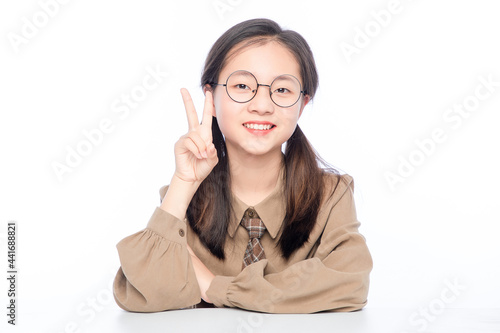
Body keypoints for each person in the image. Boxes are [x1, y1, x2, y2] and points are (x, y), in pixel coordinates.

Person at [113, 18, 372, 314]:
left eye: (283, 90)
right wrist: (183, 182)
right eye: (242, 85)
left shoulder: (330, 195)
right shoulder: (184, 196)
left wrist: (213, 286)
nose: (262, 105)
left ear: (302, 104)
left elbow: (350, 283)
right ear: (211, 95)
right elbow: (140, 293)